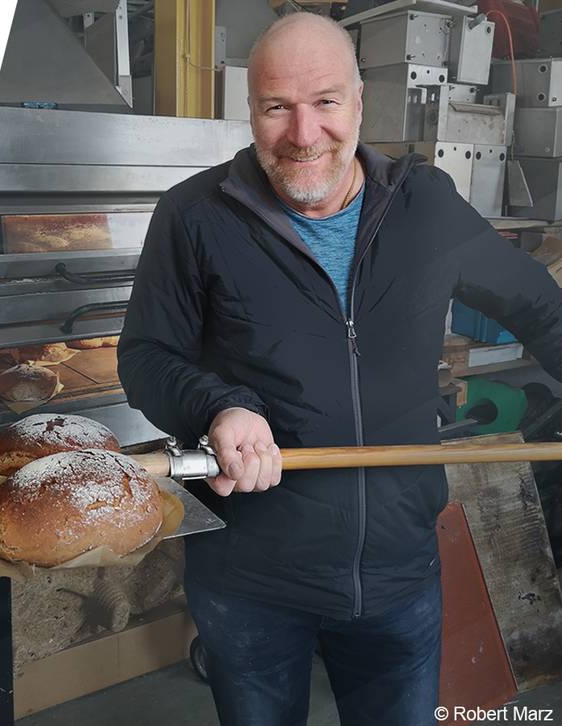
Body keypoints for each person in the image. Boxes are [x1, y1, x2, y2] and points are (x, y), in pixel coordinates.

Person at [117, 12, 562, 726]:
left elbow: (542, 309)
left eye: (325, 102)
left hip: (397, 575)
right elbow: (144, 357)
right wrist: (220, 407)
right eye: (276, 107)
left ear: (359, 103)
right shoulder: (194, 216)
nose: (302, 133)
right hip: (251, 580)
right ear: (251, 112)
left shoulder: (426, 207)